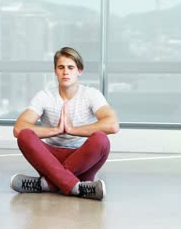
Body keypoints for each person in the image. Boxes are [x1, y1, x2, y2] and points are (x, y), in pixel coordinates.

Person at [10, 47, 119, 200]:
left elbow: (112, 125)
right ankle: (78, 187)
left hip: (82, 159)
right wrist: (56, 130)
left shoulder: (91, 94)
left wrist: (72, 130)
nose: (65, 72)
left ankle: (45, 184)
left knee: (101, 140)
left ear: (79, 70)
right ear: (55, 71)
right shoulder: (45, 96)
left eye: (70, 67)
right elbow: (19, 128)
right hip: (50, 159)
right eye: (61, 67)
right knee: (25, 136)